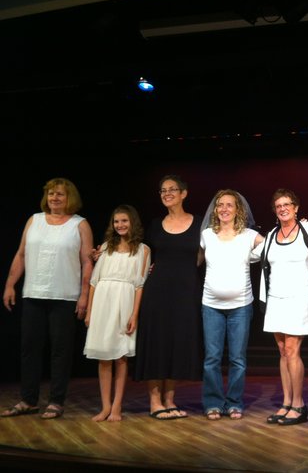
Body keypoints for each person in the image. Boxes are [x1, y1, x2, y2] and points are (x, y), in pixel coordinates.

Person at [2, 177, 93, 420]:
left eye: (60, 194)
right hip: (33, 292)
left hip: (64, 296)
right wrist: (10, 284)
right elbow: (21, 254)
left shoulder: (79, 224)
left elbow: (87, 262)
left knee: (60, 351)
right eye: (51, 194)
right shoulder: (35, 220)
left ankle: (56, 401)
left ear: (69, 198)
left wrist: (85, 295)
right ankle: (28, 400)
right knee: (29, 348)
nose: (54, 198)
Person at [134, 175, 204, 420]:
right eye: (162, 190)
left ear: (184, 193)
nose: (167, 194)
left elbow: (203, 257)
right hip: (157, 292)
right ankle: (155, 401)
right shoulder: (154, 224)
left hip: (185, 292)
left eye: (172, 189)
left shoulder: (199, 224)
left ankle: (170, 400)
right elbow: (141, 254)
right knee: (157, 343)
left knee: (177, 343)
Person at [252, 189, 308, 426]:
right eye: (278, 205)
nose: (282, 208)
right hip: (276, 297)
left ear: (296, 207)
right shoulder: (271, 235)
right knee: (282, 350)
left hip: (300, 296)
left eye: (287, 204)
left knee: (292, 349)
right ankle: (287, 402)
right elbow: (252, 255)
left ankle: (299, 404)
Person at [200, 189, 264, 421]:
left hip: (240, 305)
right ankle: (213, 403)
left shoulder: (248, 235)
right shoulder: (206, 235)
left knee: (237, 358)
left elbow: (271, 247)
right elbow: (192, 258)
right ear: (215, 210)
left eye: (229, 205)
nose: (224, 209)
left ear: (238, 210)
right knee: (212, 358)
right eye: (220, 205)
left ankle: (235, 402)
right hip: (211, 305)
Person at [83, 205, 150, 422]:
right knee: (104, 357)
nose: (120, 225)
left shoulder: (143, 250)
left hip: (125, 303)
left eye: (124, 221)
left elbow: (140, 285)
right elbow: (94, 282)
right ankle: (104, 407)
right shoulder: (104, 249)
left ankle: (116, 407)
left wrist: (134, 315)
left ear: (133, 223)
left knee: (120, 357)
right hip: (103, 302)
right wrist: (90, 311)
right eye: (116, 221)